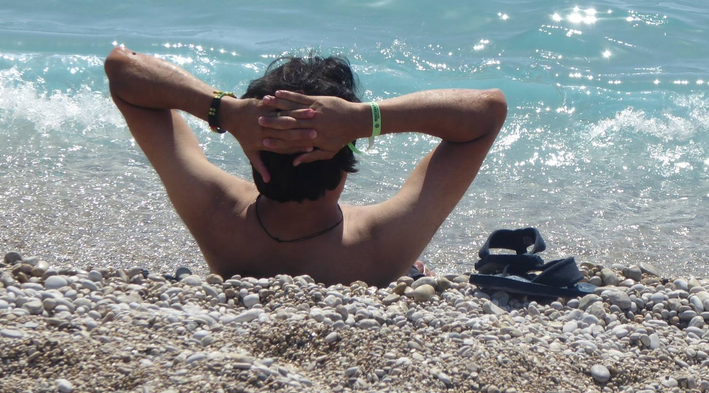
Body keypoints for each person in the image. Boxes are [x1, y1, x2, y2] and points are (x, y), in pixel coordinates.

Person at [104, 45, 507, 286]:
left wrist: (223, 110)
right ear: (345, 163)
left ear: (255, 160)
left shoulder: (216, 215)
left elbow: (122, 68)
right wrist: (365, 118)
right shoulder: (382, 243)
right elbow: (488, 111)